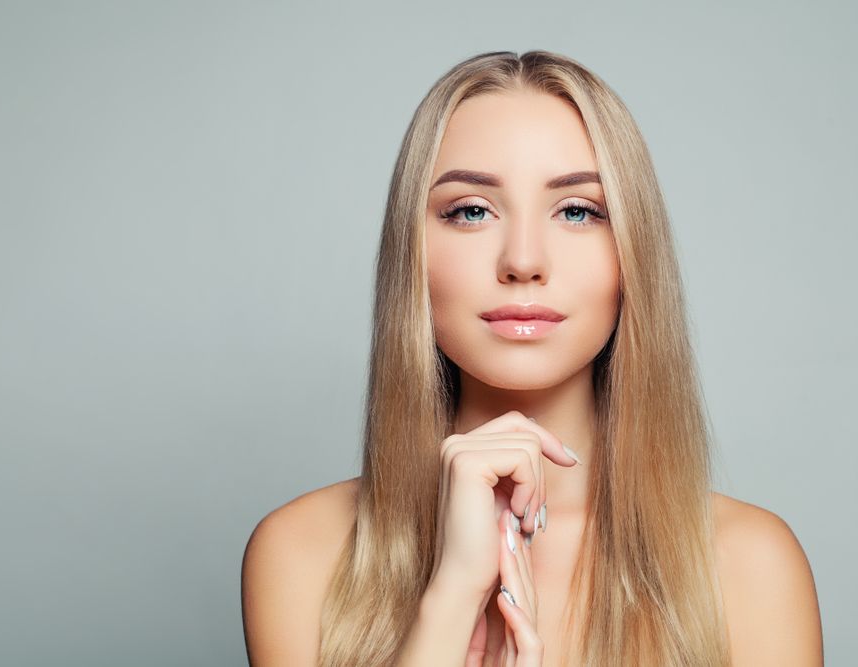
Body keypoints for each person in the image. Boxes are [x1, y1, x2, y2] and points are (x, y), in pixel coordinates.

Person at [240, 50, 823, 666]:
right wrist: (451, 599)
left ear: (631, 257)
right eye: (470, 211)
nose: (523, 260)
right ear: (411, 253)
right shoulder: (304, 551)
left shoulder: (749, 565)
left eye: (577, 211)